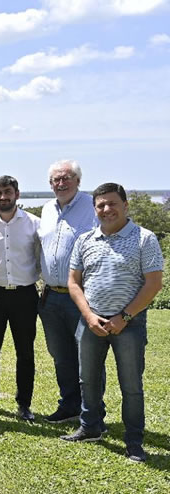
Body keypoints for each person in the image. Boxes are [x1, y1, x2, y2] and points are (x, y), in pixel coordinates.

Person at [62, 183, 163, 463]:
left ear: (125, 206)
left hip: (129, 324)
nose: (106, 209)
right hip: (91, 322)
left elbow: (154, 284)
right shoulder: (85, 240)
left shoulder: (144, 238)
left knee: (131, 385)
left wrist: (124, 317)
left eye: (112, 203)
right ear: (95, 209)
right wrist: (88, 316)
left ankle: (134, 442)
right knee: (88, 380)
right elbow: (73, 282)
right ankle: (90, 427)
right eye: (101, 205)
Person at [38, 160, 100, 424]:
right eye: (56, 179)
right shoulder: (47, 210)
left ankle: (93, 413)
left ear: (78, 180)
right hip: (50, 296)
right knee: (61, 356)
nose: (61, 183)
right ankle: (70, 405)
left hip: (81, 296)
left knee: (88, 357)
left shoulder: (92, 206)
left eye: (66, 178)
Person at [0, 176, 41, 421]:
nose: (3, 197)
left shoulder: (34, 224)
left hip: (25, 295)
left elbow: (41, 257)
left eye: (7, 192)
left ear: (17, 194)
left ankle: (24, 405)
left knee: (25, 353)